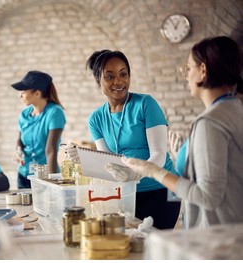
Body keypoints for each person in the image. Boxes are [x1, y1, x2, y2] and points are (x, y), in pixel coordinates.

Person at [122, 36, 243, 229]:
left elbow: (208, 196)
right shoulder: (235, 108)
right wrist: (186, 158)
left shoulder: (210, 123)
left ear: (203, 71)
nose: (186, 76)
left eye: (188, 68)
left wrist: (154, 171)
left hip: (216, 236)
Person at [66, 50, 181, 229]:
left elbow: (158, 153)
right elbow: (107, 163)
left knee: (155, 248)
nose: (118, 81)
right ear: (99, 81)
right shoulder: (96, 118)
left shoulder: (145, 103)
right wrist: (84, 158)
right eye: (110, 77)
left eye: (123, 74)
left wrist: (137, 173)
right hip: (126, 195)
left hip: (162, 189)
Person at [11, 70, 66, 189]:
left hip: (45, 176)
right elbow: (20, 140)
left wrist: (52, 183)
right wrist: (18, 149)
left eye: (24, 91)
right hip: (23, 175)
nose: (20, 95)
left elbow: (51, 149)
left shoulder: (55, 113)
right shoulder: (24, 114)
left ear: (37, 93)